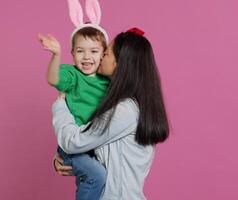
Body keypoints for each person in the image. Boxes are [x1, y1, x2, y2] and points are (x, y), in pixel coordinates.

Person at [52, 28, 169, 200]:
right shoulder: (128, 106)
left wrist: (60, 105)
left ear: (119, 63)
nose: (100, 57)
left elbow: (73, 141)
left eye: (105, 53)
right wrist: (65, 159)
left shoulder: (126, 111)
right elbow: (98, 151)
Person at [38, 1, 110, 199]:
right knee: (96, 175)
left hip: (95, 148)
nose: (87, 57)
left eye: (94, 51)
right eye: (80, 51)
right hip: (73, 146)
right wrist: (56, 55)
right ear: (72, 54)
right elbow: (53, 79)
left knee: (94, 183)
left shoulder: (109, 80)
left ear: (104, 54)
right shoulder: (73, 75)